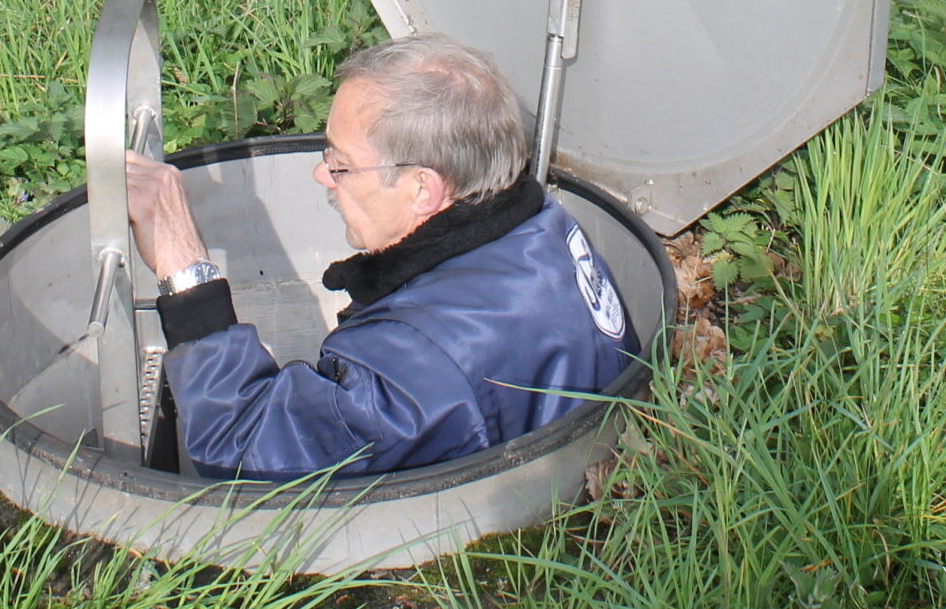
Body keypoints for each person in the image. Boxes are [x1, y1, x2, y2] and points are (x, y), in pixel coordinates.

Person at [124, 33, 637, 480]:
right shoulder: (544, 227)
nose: (322, 176)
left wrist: (185, 269)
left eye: (341, 165)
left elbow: (249, 454)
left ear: (422, 189)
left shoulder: (417, 365)